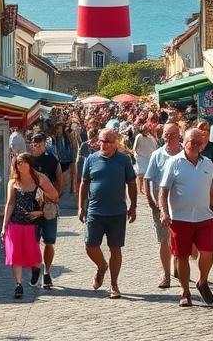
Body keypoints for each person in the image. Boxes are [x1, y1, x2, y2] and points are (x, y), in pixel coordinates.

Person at [159, 128, 213, 307]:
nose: (195, 145)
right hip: (180, 219)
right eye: (191, 141)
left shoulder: (208, 163)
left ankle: (202, 281)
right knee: (182, 256)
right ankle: (185, 291)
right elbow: (163, 190)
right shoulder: (174, 162)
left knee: (208, 252)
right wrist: (164, 212)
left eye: (198, 142)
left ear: (202, 145)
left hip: (204, 218)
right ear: (183, 143)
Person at [78, 127, 137, 299]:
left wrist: (133, 206)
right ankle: (102, 266)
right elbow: (84, 183)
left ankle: (114, 284)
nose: (103, 144)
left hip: (117, 212)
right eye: (102, 140)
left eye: (108, 141)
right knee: (90, 245)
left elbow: (132, 183)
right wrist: (80, 206)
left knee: (115, 248)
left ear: (116, 143)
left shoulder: (123, 160)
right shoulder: (91, 159)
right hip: (95, 211)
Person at [0, 152, 59, 299]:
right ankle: (18, 284)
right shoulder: (12, 182)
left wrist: (40, 209)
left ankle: (37, 269)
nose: (20, 166)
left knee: (33, 254)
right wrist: (4, 225)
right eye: (18, 163)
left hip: (34, 222)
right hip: (16, 221)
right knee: (15, 255)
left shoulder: (40, 178)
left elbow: (55, 196)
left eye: (23, 162)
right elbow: (10, 203)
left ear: (30, 164)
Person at [143, 121, 183, 289]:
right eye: (165, 134)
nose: (168, 137)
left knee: (180, 240)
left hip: (181, 205)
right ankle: (166, 275)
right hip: (162, 206)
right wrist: (151, 201)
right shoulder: (157, 155)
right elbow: (147, 178)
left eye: (171, 134)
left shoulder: (185, 154)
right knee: (164, 240)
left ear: (178, 135)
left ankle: (180, 269)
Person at [28, 132, 63, 288]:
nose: (36, 146)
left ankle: (47, 272)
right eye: (34, 143)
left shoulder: (52, 159)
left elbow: (59, 179)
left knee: (49, 240)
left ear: (44, 144)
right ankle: (35, 268)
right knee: (33, 242)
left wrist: (54, 197)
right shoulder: (27, 160)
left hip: (48, 206)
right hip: (32, 206)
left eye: (39, 143)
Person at [133, 120, 159, 194]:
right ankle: (140, 188)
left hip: (147, 158)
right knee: (141, 174)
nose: (146, 130)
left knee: (146, 174)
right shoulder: (139, 136)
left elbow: (154, 147)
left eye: (147, 129)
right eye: (145, 129)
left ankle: (145, 189)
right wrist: (135, 154)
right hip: (140, 157)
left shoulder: (150, 138)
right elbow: (134, 147)